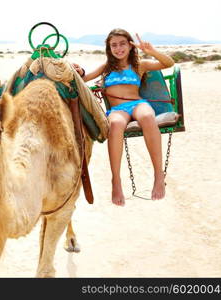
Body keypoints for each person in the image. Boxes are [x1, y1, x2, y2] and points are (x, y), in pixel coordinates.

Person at [74, 28, 175, 206]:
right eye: (114, 45)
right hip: (118, 110)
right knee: (115, 125)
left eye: (122, 44)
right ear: (109, 48)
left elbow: (169, 63)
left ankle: (158, 176)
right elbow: (84, 79)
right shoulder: (106, 68)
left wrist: (150, 51)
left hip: (137, 103)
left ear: (130, 46)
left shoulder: (139, 65)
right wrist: (80, 71)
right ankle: (116, 181)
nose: (118, 48)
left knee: (147, 117)